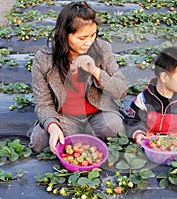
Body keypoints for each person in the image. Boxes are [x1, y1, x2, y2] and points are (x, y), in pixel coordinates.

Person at [28, 1, 128, 154]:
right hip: (64, 116)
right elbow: (43, 103)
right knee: (39, 142)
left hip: (98, 113)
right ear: (64, 34)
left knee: (114, 127)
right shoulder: (44, 59)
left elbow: (121, 90)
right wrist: (53, 126)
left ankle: (77, 139)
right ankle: (84, 138)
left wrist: (95, 71)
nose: (89, 42)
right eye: (82, 38)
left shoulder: (102, 49)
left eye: (93, 35)